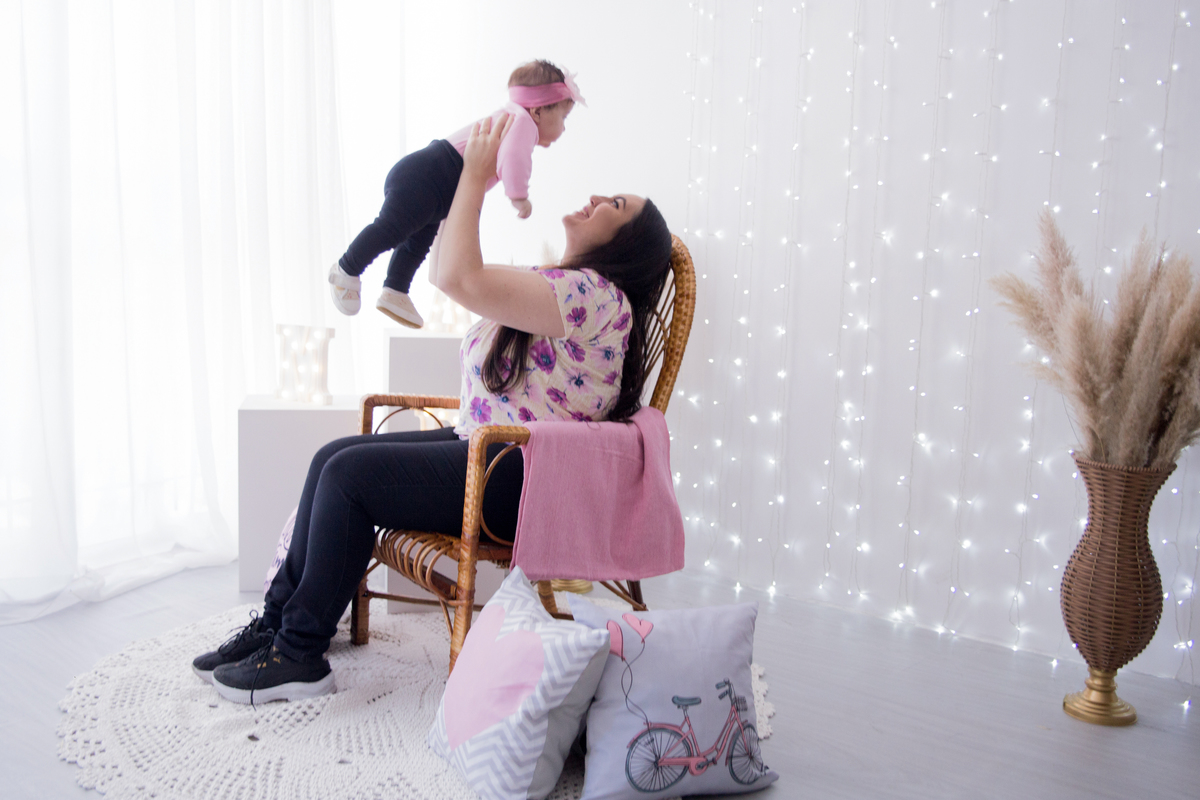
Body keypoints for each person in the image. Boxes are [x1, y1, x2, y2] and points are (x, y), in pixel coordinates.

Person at [193, 112, 674, 704]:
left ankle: (298, 655)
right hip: (487, 451)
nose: (597, 197)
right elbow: (459, 266)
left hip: (514, 476)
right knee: (331, 457)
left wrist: (471, 175)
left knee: (347, 477)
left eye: (616, 204)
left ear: (624, 244)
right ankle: (276, 624)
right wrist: (456, 188)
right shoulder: (562, 288)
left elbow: (456, 277)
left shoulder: (594, 297)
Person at [329, 59, 585, 329]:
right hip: (430, 174)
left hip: (435, 179)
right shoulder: (523, 123)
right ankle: (345, 269)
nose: (564, 127)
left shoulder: (512, 117)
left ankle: (395, 289)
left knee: (418, 241)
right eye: (563, 117)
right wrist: (518, 194)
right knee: (392, 230)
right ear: (538, 111)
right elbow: (513, 157)